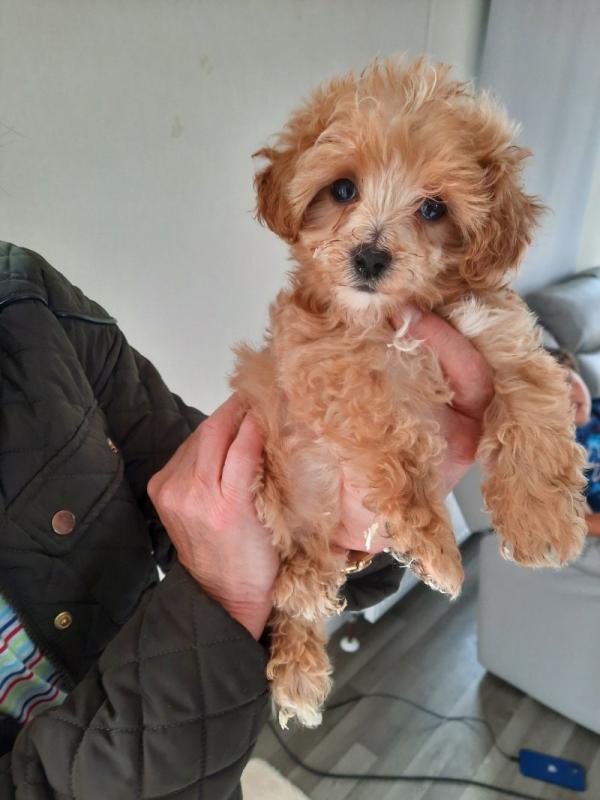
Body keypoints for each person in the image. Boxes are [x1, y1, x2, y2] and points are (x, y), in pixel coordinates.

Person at [0, 241, 493, 799]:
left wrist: (348, 524)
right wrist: (226, 596)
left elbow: (210, 487)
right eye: (344, 197)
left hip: (200, 727)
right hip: (187, 729)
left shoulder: (21, 296)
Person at [548, 347, 600, 536]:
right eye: (553, 394)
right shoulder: (556, 448)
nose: (568, 395)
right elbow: (581, 520)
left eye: (569, 381)